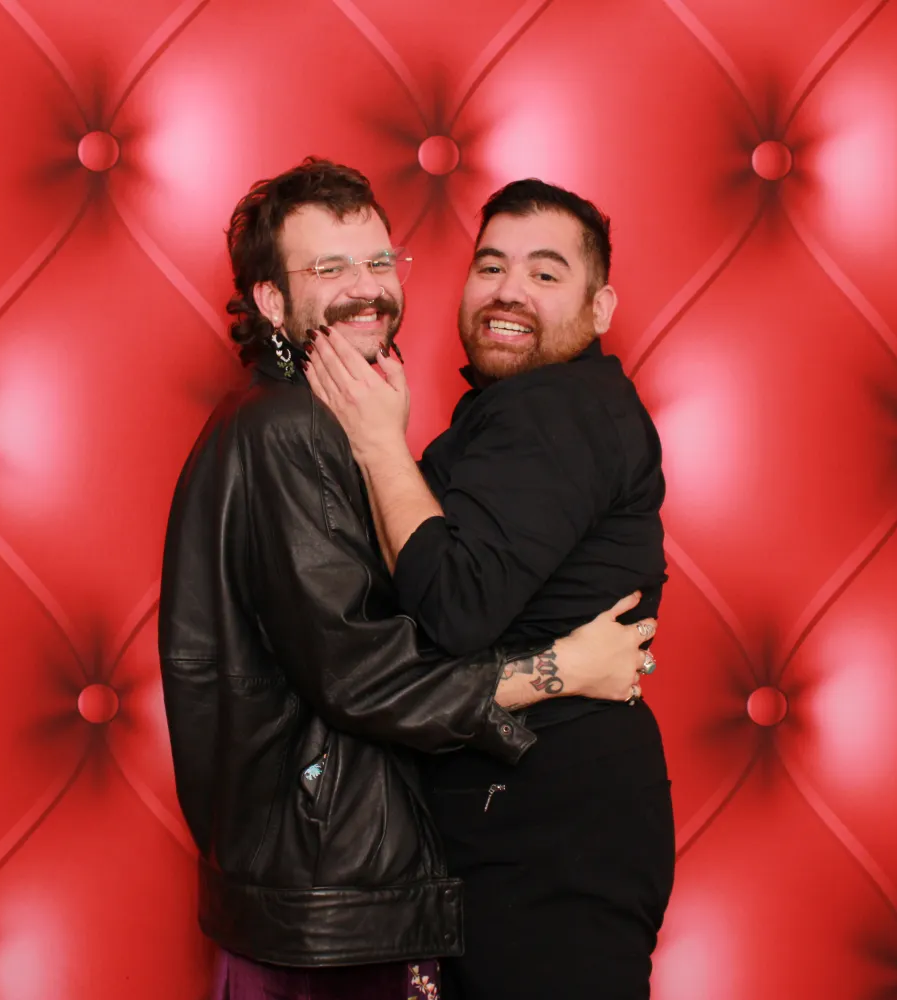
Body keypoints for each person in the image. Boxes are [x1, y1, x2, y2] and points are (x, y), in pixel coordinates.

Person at [158, 159, 662, 1000]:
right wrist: (558, 672)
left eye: (378, 262)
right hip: (328, 888)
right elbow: (366, 671)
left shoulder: (336, 424)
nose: (366, 289)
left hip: (369, 879)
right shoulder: (292, 430)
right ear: (272, 301)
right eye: (330, 269)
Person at [305, 178, 675, 999]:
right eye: (491, 266)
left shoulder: (559, 410)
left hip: (550, 829)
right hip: (525, 817)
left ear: (601, 306)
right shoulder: (511, 415)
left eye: (546, 274)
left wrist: (379, 447)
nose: (509, 290)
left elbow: (456, 608)